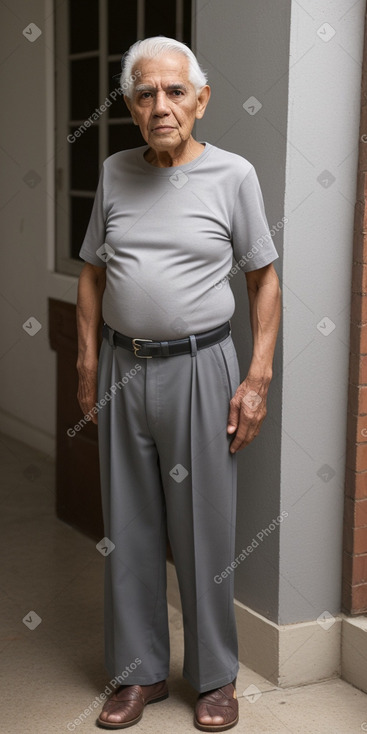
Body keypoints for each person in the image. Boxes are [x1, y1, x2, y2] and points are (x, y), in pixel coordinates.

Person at [76, 35, 281, 732]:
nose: (160, 105)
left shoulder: (234, 176)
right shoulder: (113, 171)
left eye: (173, 91)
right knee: (127, 528)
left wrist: (257, 375)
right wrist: (84, 366)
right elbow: (93, 274)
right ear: (131, 106)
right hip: (121, 367)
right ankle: (137, 674)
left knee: (204, 532)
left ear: (200, 99)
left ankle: (216, 678)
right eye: (145, 94)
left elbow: (263, 278)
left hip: (202, 369)